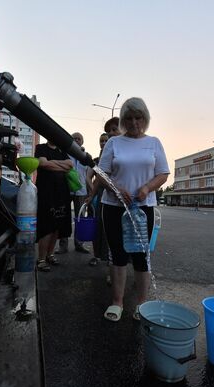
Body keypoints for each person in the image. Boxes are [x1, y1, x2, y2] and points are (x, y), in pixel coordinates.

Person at [97, 98, 169, 322]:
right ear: (123, 120)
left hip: (143, 207)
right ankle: (117, 302)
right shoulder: (114, 143)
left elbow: (163, 173)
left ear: (145, 119)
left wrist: (147, 187)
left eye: (139, 118)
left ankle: (141, 304)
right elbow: (101, 173)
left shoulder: (154, 142)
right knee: (117, 254)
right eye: (129, 118)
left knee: (141, 256)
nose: (134, 122)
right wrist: (117, 188)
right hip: (113, 207)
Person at [34, 141, 73, 272]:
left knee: (57, 224)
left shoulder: (62, 150)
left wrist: (52, 163)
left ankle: (50, 255)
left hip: (62, 191)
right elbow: (43, 163)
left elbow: (70, 165)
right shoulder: (40, 148)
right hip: (46, 191)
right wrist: (62, 166)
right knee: (46, 225)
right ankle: (41, 259)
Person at [56, 132, 92, 254]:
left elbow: (89, 176)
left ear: (82, 142)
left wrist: (90, 192)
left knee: (80, 218)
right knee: (64, 217)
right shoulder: (64, 153)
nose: (76, 140)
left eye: (79, 139)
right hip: (66, 190)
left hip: (81, 192)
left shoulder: (86, 156)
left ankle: (79, 244)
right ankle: (63, 245)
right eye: (74, 139)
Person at [86, 132, 111, 266]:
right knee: (96, 226)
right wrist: (93, 191)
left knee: (109, 228)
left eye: (106, 141)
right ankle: (96, 256)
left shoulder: (114, 156)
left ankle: (109, 258)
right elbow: (88, 177)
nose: (103, 143)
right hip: (98, 196)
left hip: (111, 195)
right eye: (101, 141)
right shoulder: (96, 160)